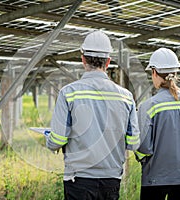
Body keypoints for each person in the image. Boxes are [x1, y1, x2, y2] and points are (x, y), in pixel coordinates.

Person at [46, 30, 140, 200]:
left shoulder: (69, 93)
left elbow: (58, 140)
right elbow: (133, 142)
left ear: (83, 59)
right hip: (111, 178)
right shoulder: (126, 96)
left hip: (78, 179)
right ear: (108, 61)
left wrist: (49, 139)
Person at [135, 47, 180, 200]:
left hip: (155, 177)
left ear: (154, 72)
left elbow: (143, 146)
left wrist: (142, 159)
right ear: (176, 73)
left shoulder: (148, 106)